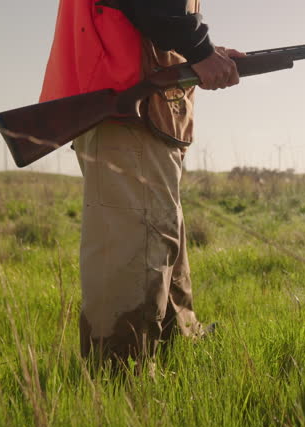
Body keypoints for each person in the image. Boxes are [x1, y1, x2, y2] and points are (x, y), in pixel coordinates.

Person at [39, 0, 242, 362]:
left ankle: (174, 342)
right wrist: (200, 49)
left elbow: (153, 21)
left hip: (144, 108)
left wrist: (201, 53)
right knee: (136, 244)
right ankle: (120, 371)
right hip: (125, 106)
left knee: (161, 232)